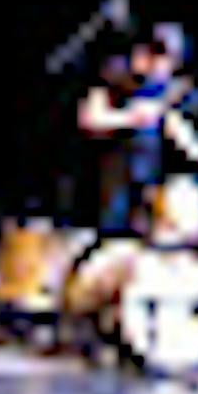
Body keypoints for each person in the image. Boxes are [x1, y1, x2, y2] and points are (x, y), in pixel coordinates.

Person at [78, 23, 186, 236]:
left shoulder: (166, 90)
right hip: (110, 182)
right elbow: (89, 118)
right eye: (150, 52)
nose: (154, 62)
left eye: (163, 58)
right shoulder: (116, 75)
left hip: (147, 183)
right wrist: (130, 118)